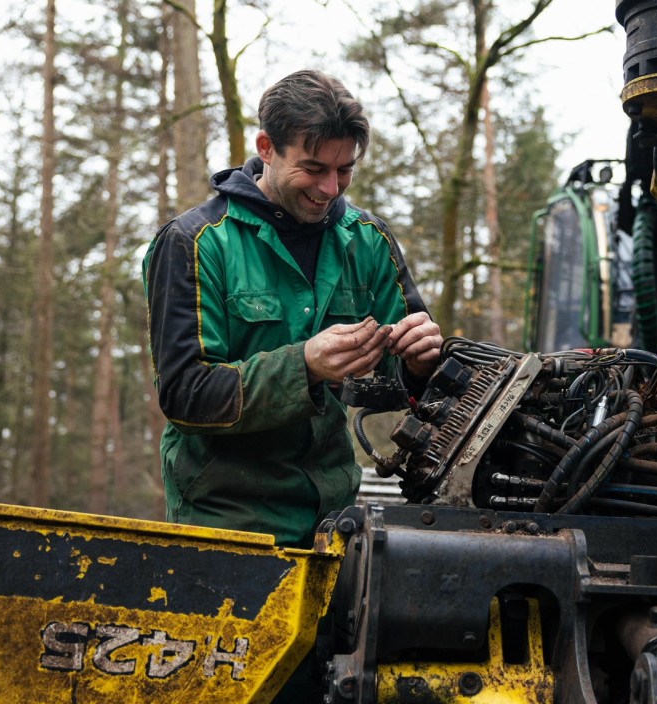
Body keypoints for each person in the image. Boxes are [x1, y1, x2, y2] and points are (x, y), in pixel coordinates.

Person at [143, 69, 441, 549]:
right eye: (313, 169)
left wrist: (420, 365)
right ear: (266, 148)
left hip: (336, 522)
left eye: (344, 170)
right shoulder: (193, 243)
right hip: (225, 524)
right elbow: (185, 395)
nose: (330, 188)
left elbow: (400, 389)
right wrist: (304, 366)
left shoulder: (369, 241)